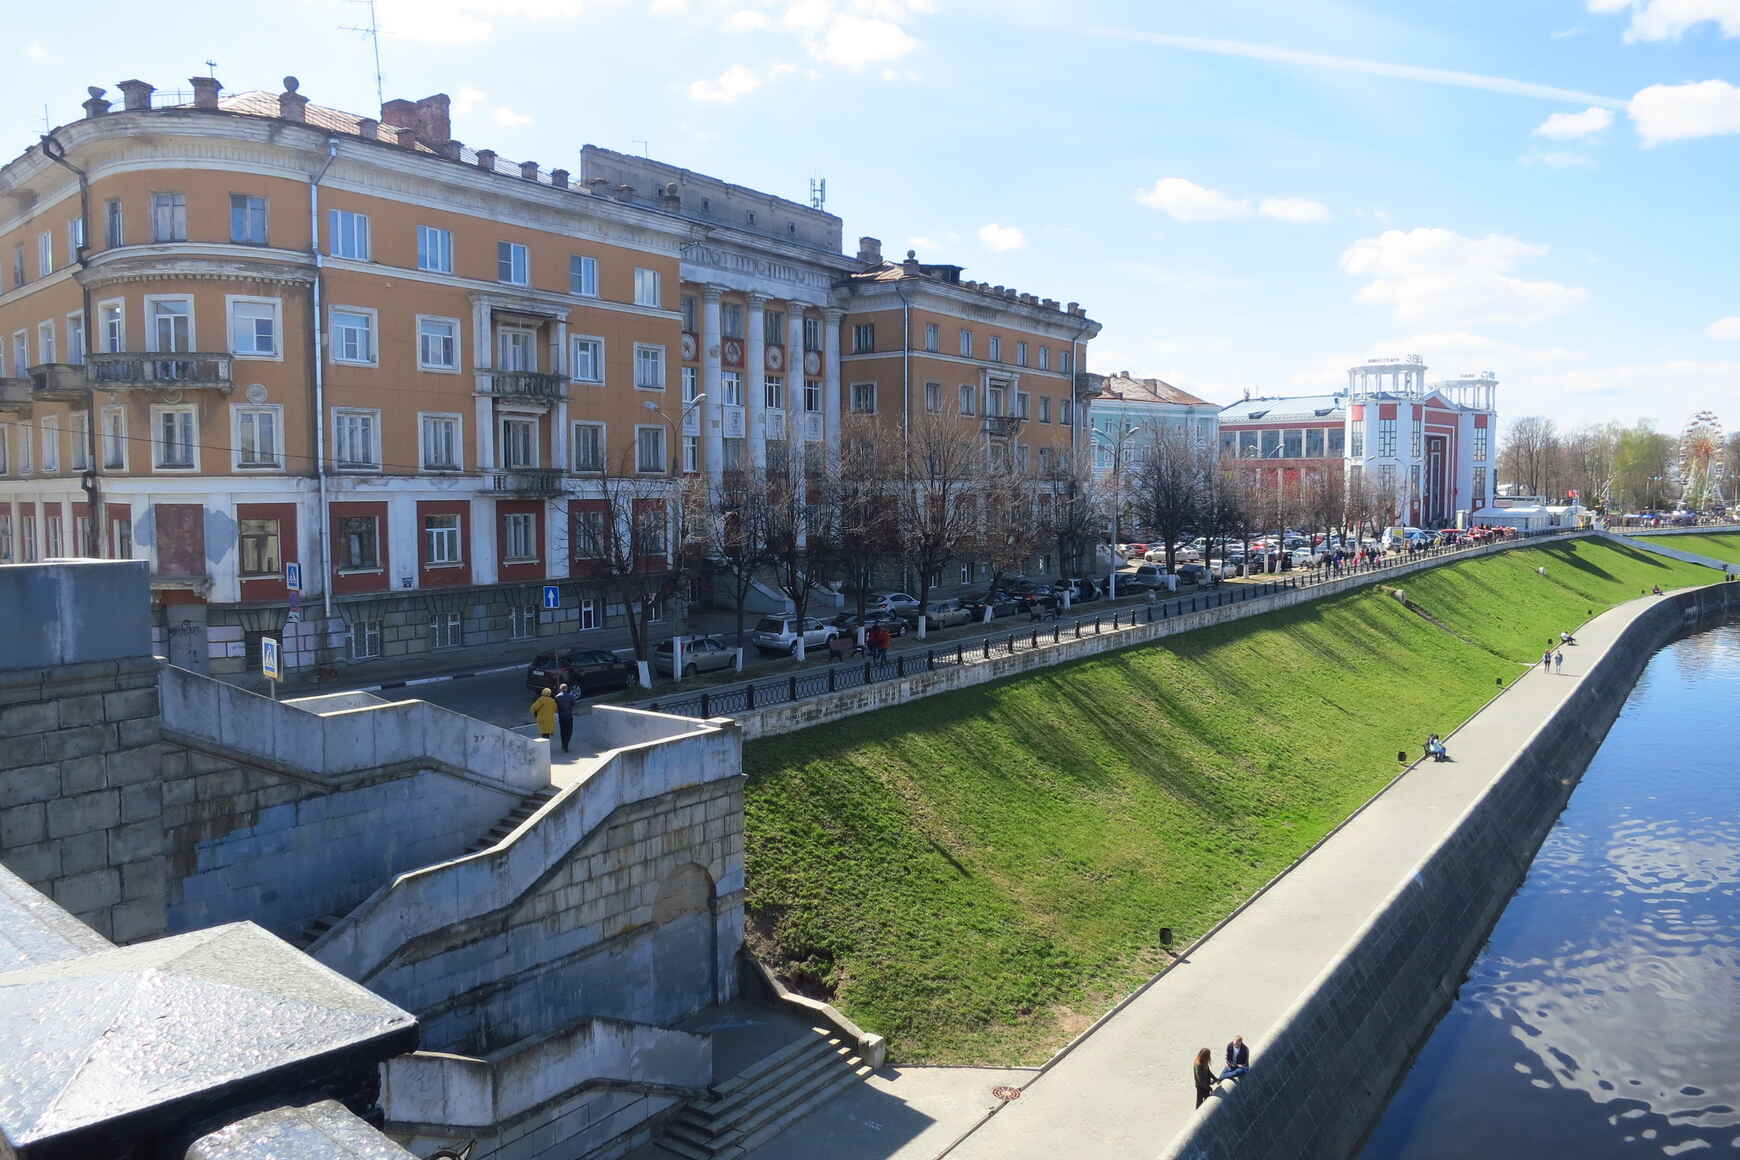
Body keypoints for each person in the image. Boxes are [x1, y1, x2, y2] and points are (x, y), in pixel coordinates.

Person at [553, 683, 578, 754]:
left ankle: (563, 744)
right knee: (569, 731)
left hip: (561, 716)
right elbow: (574, 704)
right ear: (566, 689)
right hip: (569, 716)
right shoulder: (570, 696)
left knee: (563, 731)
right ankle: (566, 745)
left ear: (560, 689)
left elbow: (555, 706)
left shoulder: (557, 697)